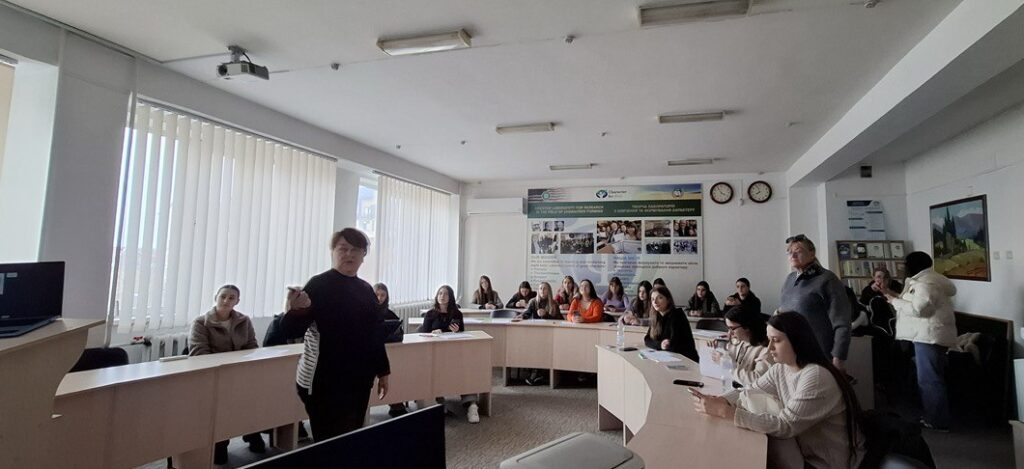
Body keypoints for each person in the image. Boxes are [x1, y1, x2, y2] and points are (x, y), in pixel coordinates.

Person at [692, 312, 863, 469]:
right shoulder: (781, 368)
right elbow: (750, 389)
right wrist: (721, 400)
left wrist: (726, 412)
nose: (769, 348)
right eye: (769, 340)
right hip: (801, 453)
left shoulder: (816, 376)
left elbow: (785, 425)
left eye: (776, 340)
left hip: (824, 463)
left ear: (797, 340)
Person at [281, 229, 391, 442]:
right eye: (343, 249)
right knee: (330, 443)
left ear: (363, 255)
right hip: (324, 381)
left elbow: (375, 334)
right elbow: (290, 332)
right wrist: (295, 310)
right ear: (332, 252)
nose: (349, 254)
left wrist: (383, 371)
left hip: (359, 380)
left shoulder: (366, 290)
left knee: (351, 436)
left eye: (355, 250)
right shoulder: (318, 285)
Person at [882, 252, 956, 432]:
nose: (903, 268)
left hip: (929, 336)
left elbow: (919, 310)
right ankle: (934, 417)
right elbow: (912, 302)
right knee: (931, 378)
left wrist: (894, 301)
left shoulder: (926, 283)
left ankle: (937, 421)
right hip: (928, 335)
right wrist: (889, 294)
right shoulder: (926, 281)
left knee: (929, 380)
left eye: (905, 264)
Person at [189, 285, 264, 463]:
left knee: (254, 395)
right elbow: (199, 353)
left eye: (231, 298)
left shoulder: (244, 321)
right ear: (216, 297)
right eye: (223, 296)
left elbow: (252, 347)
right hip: (214, 375)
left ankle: (251, 431)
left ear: (237, 301)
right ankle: (220, 442)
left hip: (240, 373)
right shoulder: (201, 323)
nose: (226, 300)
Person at [778, 234, 852, 373]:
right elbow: (782, 314)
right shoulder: (789, 279)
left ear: (812, 253)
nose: (793, 255)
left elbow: (842, 323)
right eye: (789, 252)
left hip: (819, 356)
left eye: (798, 251)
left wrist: (838, 359)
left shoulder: (827, 279)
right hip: (792, 355)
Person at [418, 285, 480, 423]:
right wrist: (432, 333)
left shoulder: (457, 314)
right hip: (435, 354)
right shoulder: (430, 314)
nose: (442, 296)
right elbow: (423, 335)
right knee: (435, 373)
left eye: (445, 294)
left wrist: (457, 332)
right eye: (440, 293)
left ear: (450, 297)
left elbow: (463, 333)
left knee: (466, 370)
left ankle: (471, 404)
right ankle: (439, 401)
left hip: (454, 353)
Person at [709, 305, 773, 387]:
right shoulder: (737, 341)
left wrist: (727, 364)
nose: (729, 333)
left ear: (746, 326)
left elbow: (757, 380)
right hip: (735, 388)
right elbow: (729, 358)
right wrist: (718, 350)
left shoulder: (766, 349)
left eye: (732, 328)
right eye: (728, 328)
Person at [374, 283, 408, 418]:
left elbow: (399, 332)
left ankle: (396, 403)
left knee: (395, 372)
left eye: (383, 295)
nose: (379, 298)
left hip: (390, 352)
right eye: (377, 294)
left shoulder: (389, 314)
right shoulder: (365, 311)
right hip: (373, 352)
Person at [643, 286, 699, 362]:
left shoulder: (677, 315)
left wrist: (661, 345)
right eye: (652, 299)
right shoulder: (656, 317)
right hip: (669, 358)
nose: (655, 302)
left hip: (686, 359)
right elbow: (647, 339)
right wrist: (660, 345)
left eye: (659, 298)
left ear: (668, 300)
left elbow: (673, 345)